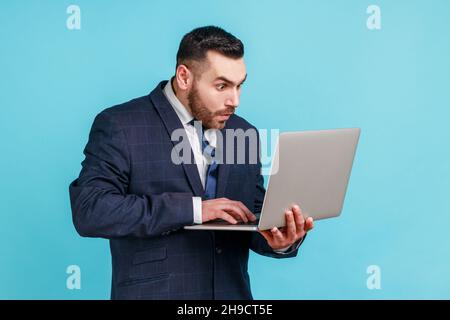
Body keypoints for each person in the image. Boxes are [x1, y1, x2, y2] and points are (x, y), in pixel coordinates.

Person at [69, 25, 314, 300]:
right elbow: (91, 210)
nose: (235, 100)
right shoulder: (122, 125)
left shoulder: (243, 133)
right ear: (184, 77)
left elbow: (251, 212)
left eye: (239, 85)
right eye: (221, 86)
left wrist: (281, 240)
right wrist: (195, 210)